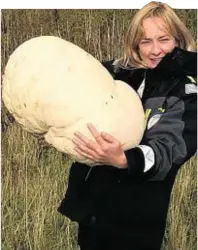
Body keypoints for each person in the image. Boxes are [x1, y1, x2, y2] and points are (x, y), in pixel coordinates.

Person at [58, 1, 197, 250]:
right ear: (136, 44)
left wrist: (125, 159)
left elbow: (169, 149)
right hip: (94, 212)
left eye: (163, 39)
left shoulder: (185, 91)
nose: (155, 50)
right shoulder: (119, 73)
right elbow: (73, 77)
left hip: (137, 221)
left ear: (177, 38)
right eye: (145, 41)